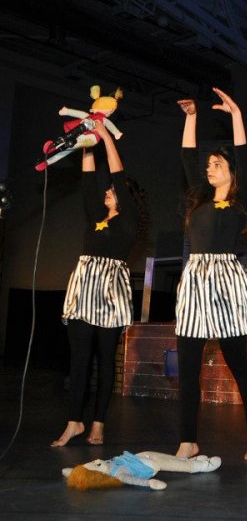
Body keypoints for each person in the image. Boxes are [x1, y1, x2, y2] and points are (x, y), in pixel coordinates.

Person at [175, 88, 247, 461]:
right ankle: (188, 440)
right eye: (209, 164)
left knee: (238, 362)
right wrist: (191, 117)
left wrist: (236, 115)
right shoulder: (199, 199)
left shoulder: (240, 202)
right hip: (195, 281)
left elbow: (243, 155)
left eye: (216, 164)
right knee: (188, 367)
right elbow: (186, 157)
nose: (209, 168)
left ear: (231, 171)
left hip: (226, 281)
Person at [52, 121, 144, 447]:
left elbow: (117, 173)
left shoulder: (129, 220)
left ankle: (99, 422)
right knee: (79, 360)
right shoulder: (96, 217)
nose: (108, 191)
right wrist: (87, 140)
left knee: (105, 359)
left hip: (110, 293)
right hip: (84, 289)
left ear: (126, 197)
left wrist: (105, 135)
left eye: (114, 190)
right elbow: (89, 178)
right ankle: (74, 421)